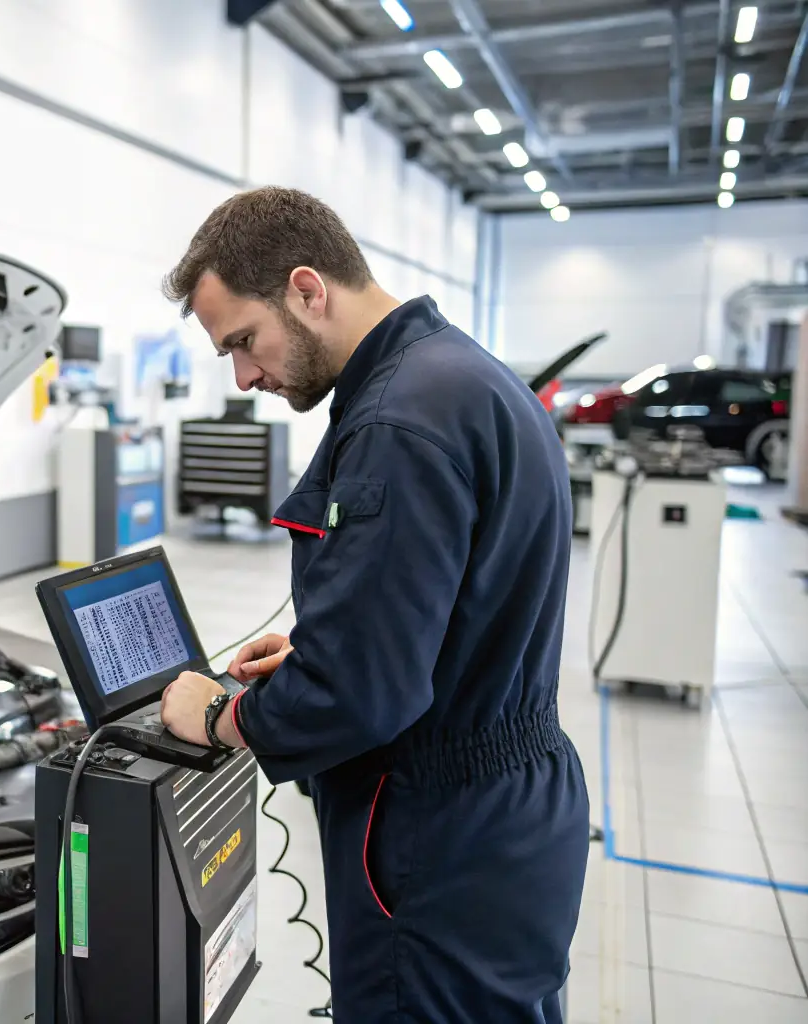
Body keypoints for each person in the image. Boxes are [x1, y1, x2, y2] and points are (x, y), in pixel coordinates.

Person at [157, 187, 588, 1023]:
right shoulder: (463, 374)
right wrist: (326, 647)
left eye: (243, 341)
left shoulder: (395, 422)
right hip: (514, 811)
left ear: (307, 289)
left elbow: (362, 693)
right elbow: (456, 613)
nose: (243, 377)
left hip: (438, 835)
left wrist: (217, 714)